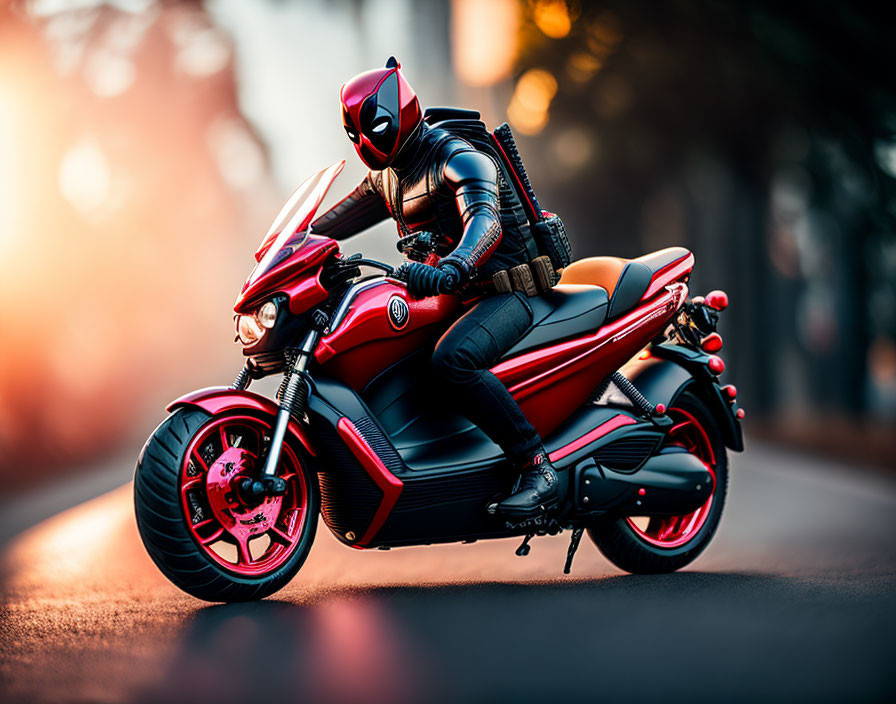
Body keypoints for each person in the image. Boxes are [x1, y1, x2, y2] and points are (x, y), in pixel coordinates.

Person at [312, 58, 558, 517]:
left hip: (508, 293)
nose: (366, 142)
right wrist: (290, 243)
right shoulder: (387, 176)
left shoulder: (457, 155)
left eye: (375, 127)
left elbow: (485, 222)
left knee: (453, 360)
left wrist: (453, 266)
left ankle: (536, 466)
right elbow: (333, 223)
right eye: (356, 133)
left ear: (399, 111)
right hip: (455, 299)